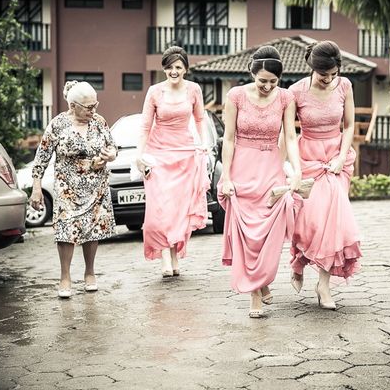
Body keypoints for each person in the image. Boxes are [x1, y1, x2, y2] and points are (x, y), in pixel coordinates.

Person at [219, 45, 302, 318]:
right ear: (252, 74)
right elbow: (228, 138)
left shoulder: (286, 98)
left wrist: (296, 170)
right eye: (262, 80)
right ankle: (255, 293)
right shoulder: (236, 96)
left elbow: (290, 136)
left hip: (270, 167)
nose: (267, 86)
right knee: (248, 234)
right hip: (242, 166)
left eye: (273, 82)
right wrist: (226, 175)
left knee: (269, 229)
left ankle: (263, 278)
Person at [288, 41, 362, 310]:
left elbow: (350, 124)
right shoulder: (295, 92)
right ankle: (298, 261)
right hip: (308, 157)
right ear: (312, 69)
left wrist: (341, 157)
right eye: (323, 75)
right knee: (308, 221)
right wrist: (294, 167)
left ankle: (324, 284)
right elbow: (287, 132)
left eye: (333, 73)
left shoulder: (345, 86)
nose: (329, 79)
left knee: (333, 222)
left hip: (336, 157)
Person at [30, 81, 118, 298]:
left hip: (95, 186)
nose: (93, 110)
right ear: (72, 106)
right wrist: (36, 186)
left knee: (92, 229)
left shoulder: (99, 122)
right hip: (67, 188)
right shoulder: (58, 124)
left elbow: (112, 147)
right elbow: (41, 157)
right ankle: (65, 277)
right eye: (88, 107)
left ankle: (90, 273)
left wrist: (110, 155)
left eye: (95, 105)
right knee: (66, 231)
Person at [136, 46, 209, 277]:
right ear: (164, 69)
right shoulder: (155, 92)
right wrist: (140, 156)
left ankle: (175, 255)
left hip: (185, 154)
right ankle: (165, 258)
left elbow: (199, 119)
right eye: (169, 67)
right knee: (161, 208)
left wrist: (202, 144)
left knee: (178, 210)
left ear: (185, 68)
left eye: (178, 67)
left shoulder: (194, 90)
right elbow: (146, 125)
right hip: (158, 155)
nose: (173, 71)